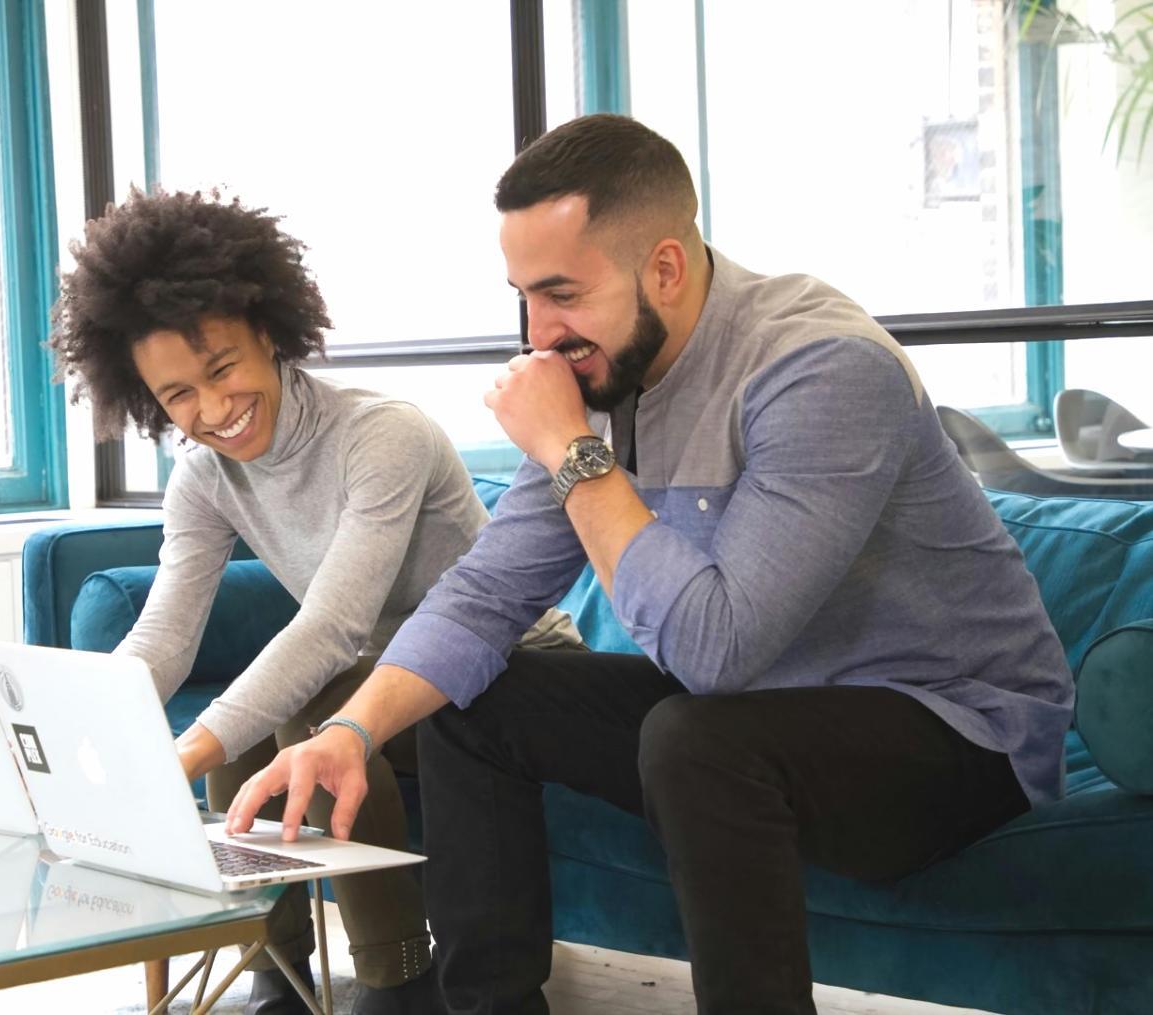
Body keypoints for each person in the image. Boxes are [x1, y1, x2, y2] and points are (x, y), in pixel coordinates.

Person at [225, 114, 1076, 1015]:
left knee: (694, 737)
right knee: (476, 703)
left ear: (664, 267)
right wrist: (349, 732)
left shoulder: (821, 367)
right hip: (756, 715)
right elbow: (482, 595)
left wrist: (569, 451)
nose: (538, 332)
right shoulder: (599, 376)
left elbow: (715, 653)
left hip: (954, 735)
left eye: (561, 293)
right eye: (522, 295)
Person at [48, 188, 575, 1015]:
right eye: (179, 395)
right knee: (250, 716)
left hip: (510, 673)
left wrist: (180, 755)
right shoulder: (203, 477)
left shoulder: (382, 435)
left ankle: (396, 980)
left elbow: (334, 627)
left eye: (222, 368)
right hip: (388, 691)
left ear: (270, 334)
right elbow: (164, 635)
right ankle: (274, 966)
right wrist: (82, 726)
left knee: (302, 704)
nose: (212, 409)